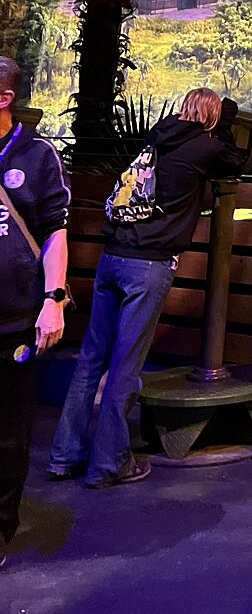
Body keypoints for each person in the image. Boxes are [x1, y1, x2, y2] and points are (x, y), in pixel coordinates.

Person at [49, 87, 245, 488]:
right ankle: (109, 464)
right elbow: (236, 160)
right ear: (209, 116)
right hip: (148, 265)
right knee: (126, 366)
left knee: (91, 359)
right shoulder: (203, 148)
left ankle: (64, 456)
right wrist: (226, 123)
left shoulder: (157, 137)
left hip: (112, 258)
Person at [0, 58, 70, 568]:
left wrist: (53, 299)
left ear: (4, 99)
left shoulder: (37, 155)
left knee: (7, 433)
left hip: (13, 319)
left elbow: (54, 233)